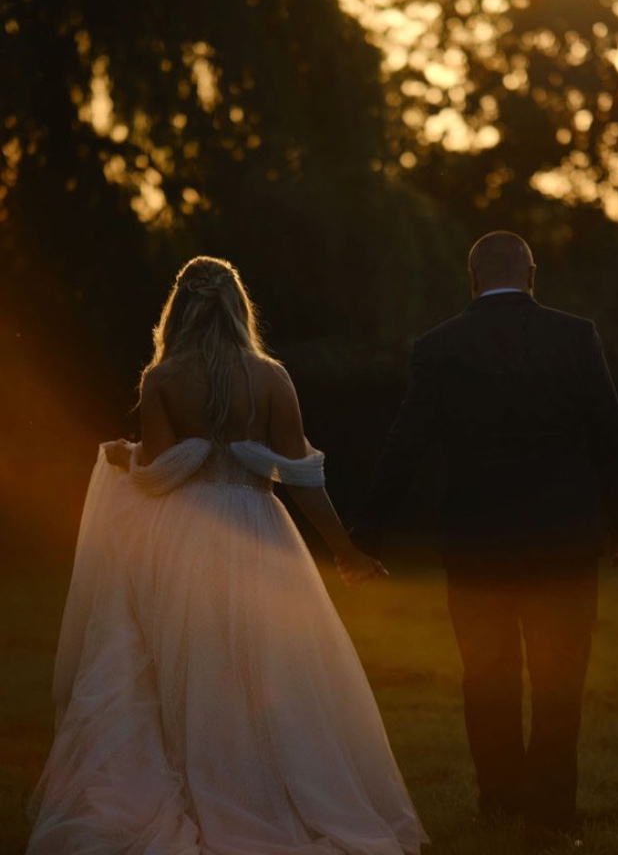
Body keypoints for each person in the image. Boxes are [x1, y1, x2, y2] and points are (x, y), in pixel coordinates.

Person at [26, 256, 427, 855]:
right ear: (239, 307)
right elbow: (300, 474)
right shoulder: (269, 377)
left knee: (183, 667)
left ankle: (195, 781)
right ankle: (269, 791)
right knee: (268, 669)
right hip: (256, 531)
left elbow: (160, 476)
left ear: (178, 310)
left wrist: (125, 458)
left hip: (182, 539)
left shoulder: (161, 380)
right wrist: (345, 551)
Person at [351, 231, 618, 850]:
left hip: (477, 544)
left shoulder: (439, 347)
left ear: (472, 278)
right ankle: (553, 816)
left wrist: (368, 533)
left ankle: (499, 805)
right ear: (531, 274)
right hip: (563, 542)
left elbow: (405, 444)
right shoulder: (574, 335)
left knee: (487, 678)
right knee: (560, 680)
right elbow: (613, 436)